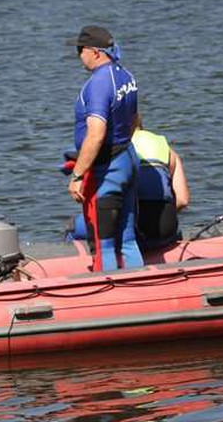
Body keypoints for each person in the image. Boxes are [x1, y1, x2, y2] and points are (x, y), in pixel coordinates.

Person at [67, 25, 143, 271]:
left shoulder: (98, 84)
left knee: (105, 244)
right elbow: (135, 120)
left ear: (95, 52)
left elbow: (96, 134)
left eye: (80, 50)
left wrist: (78, 175)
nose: (79, 55)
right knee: (128, 240)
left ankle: (113, 295)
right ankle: (138, 290)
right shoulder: (126, 75)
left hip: (108, 171)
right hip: (128, 160)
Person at [131, 118, 190, 249]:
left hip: (135, 231)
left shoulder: (119, 148)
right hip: (167, 228)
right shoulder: (167, 150)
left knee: (76, 226)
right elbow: (183, 200)